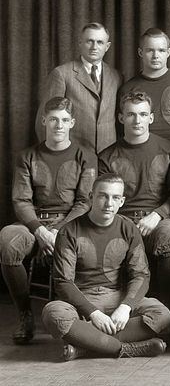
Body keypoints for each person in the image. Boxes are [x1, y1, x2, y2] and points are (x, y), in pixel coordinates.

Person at [41, 173, 170, 361]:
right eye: (103, 196)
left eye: (115, 197)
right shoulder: (69, 231)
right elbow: (63, 281)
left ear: (122, 201)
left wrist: (125, 307)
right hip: (80, 301)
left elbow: (141, 275)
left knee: (162, 314)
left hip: (116, 297)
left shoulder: (128, 228)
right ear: (91, 197)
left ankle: (86, 347)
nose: (109, 203)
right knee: (53, 315)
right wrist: (92, 313)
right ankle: (125, 349)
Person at [0, 97, 96, 344]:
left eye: (64, 120)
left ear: (72, 123)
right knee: (8, 240)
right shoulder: (27, 156)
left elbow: (84, 202)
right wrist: (41, 231)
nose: (58, 125)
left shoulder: (85, 155)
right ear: (44, 120)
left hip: (71, 222)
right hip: (33, 223)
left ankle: (80, 316)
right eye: (53, 119)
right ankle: (25, 315)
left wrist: (58, 231)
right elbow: (21, 201)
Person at [99, 91, 170, 314]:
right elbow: (105, 199)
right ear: (121, 118)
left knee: (169, 234)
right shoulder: (107, 156)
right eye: (131, 114)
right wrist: (123, 222)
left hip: (159, 217)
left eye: (143, 114)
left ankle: (165, 313)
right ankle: (120, 309)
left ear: (151, 118)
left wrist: (157, 215)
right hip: (121, 219)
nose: (137, 120)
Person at [36, 22, 122, 153]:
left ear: (107, 46)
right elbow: (45, 120)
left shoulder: (116, 76)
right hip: (73, 155)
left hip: (108, 156)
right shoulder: (62, 74)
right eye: (89, 41)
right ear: (80, 43)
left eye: (100, 42)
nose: (94, 47)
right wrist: (54, 155)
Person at [118, 28, 170, 150]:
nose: (155, 56)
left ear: (168, 52)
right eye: (149, 50)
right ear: (140, 52)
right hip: (143, 159)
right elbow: (122, 132)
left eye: (161, 50)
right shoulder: (128, 89)